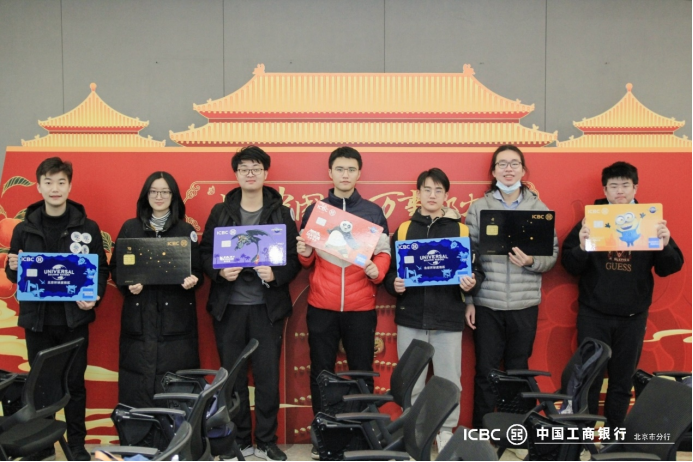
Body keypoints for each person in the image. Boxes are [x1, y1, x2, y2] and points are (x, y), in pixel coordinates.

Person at [561, 161, 683, 429]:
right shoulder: (591, 220)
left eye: (625, 185)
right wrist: (582, 246)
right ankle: (582, 440)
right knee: (588, 379)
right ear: (605, 190)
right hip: (594, 315)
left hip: (632, 317)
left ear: (635, 188)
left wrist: (664, 244)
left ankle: (614, 438)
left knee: (622, 381)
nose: (619, 191)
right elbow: (569, 264)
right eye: (613, 186)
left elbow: (670, 267)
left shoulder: (649, 220)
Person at [200, 146, 300, 462]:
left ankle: (267, 441)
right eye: (244, 168)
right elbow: (204, 253)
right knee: (233, 379)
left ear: (266, 173)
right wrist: (219, 272)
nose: (250, 173)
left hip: (266, 308)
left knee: (268, 378)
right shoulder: (221, 212)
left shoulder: (281, 213)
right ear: (236, 174)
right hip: (229, 307)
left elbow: (294, 259)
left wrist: (276, 274)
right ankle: (241, 440)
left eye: (256, 168)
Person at [5, 157, 109, 461]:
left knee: (74, 385)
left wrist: (94, 295)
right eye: (48, 182)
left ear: (69, 186)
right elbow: (14, 273)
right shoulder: (23, 229)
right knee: (40, 387)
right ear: (38, 187)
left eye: (61, 182)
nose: (55, 188)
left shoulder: (87, 227)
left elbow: (101, 269)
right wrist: (13, 266)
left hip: (73, 320)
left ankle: (76, 446)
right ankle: (42, 447)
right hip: (37, 321)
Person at [296, 146, 390, 460]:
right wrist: (304, 254)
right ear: (330, 172)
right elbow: (306, 258)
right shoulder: (316, 211)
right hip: (321, 305)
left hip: (360, 307)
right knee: (321, 373)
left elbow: (384, 251)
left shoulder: (373, 212)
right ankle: (324, 435)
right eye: (340, 169)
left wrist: (379, 270)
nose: (345, 174)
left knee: (361, 372)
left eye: (351, 169)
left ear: (359, 173)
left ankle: (361, 436)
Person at [384, 168, 484, 451]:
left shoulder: (460, 230)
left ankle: (446, 431)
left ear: (446, 195)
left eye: (438, 190)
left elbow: (476, 271)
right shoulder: (405, 229)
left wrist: (472, 283)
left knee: (449, 380)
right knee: (411, 382)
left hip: (448, 317)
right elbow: (390, 273)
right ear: (418, 194)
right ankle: (413, 431)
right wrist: (394, 284)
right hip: (411, 317)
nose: (432, 195)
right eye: (427, 189)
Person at [464, 144, 558, 429]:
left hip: (524, 304)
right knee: (485, 372)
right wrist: (469, 300)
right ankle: (482, 434)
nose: (508, 169)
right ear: (493, 172)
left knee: (519, 372)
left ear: (523, 170)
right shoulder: (479, 208)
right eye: (502, 164)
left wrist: (531, 261)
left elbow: (552, 255)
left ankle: (517, 434)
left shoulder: (539, 209)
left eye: (514, 163)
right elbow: (467, 257)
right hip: (487, 304)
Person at [110, 172, 203, 408]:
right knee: (137, 386)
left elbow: (199, 270)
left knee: (175, 390)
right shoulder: (130, 228)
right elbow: (116, 268)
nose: (158, 196)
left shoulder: (185, 230)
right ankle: (139, 430)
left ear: (173, 196)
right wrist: (127, 284)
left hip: (176, 324)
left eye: (164, 191)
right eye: (153, 191)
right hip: (138, 321)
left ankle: (174, 431)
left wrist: (193, 280)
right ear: (146, 195)